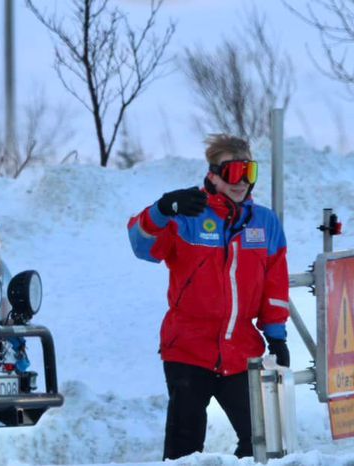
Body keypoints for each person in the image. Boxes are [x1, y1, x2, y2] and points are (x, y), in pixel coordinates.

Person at [127, 134, 290, 459]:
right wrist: (161, 210)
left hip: (242, 351)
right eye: (232, 173)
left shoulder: (265, 222)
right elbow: (141, 246)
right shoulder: (187, 215)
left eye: (250, 172)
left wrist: (276, 336)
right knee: (184, 449)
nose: (241, 182)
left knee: (264, 442)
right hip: (188, 350)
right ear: (213, 174)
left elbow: (276, 284)